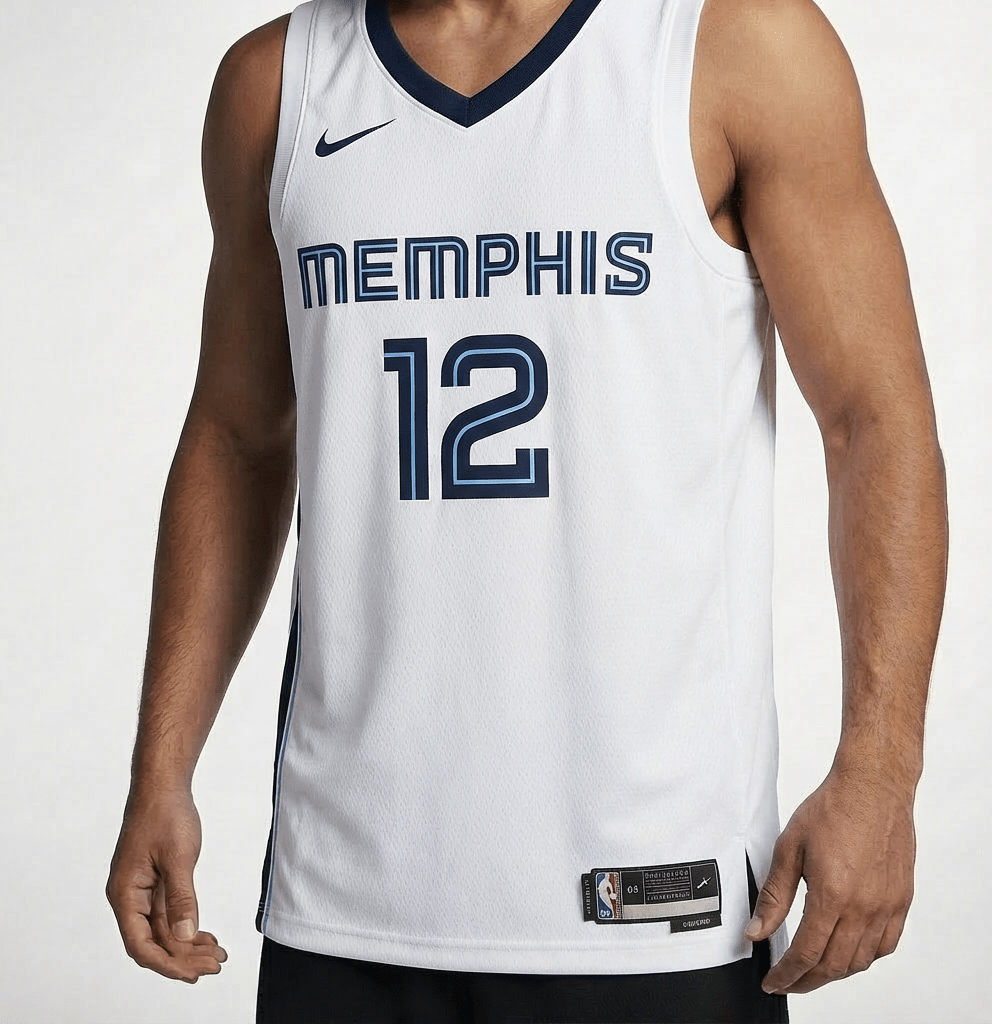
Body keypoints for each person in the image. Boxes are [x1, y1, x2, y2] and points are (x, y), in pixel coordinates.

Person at [105, 0, 948, 1020]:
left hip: (656, 895)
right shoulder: (275, 84)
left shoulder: (731, 45)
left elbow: (873, 418)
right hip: (346, 900)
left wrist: (881, 770)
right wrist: (162, 766)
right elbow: (238, 436)